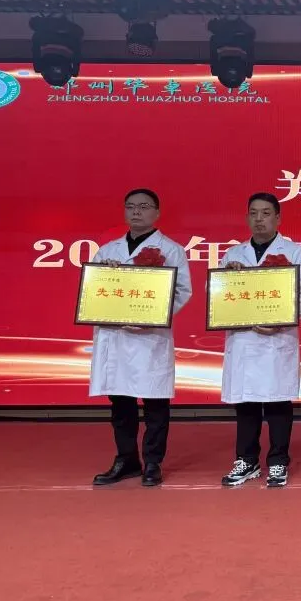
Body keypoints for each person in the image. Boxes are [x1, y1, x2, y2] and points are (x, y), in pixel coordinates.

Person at [90, 188, 192, 488]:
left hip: (150, 338)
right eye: (131, 206)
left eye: (144, 206)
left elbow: (182, 291)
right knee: (120, 403)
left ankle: (153, 462)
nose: (137, 211)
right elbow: (94, 291)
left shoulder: (171, 250)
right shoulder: (107, 251)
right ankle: (126, 459)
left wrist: (151, 317)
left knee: (155, 404)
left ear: (157, 213)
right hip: (117, 338)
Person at [219, 193, 301, 488]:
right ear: (247, 217)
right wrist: (228, 280)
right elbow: (220, 298)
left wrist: (279, 322)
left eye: (266, 213)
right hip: (244, 340)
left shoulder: (294, 252)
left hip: (277, 339)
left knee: (277, 403)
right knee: (245, 403)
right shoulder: (233, 255)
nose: (259, 219)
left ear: (278, 218)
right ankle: (246, 460)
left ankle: (278, 461)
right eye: (254, 213)